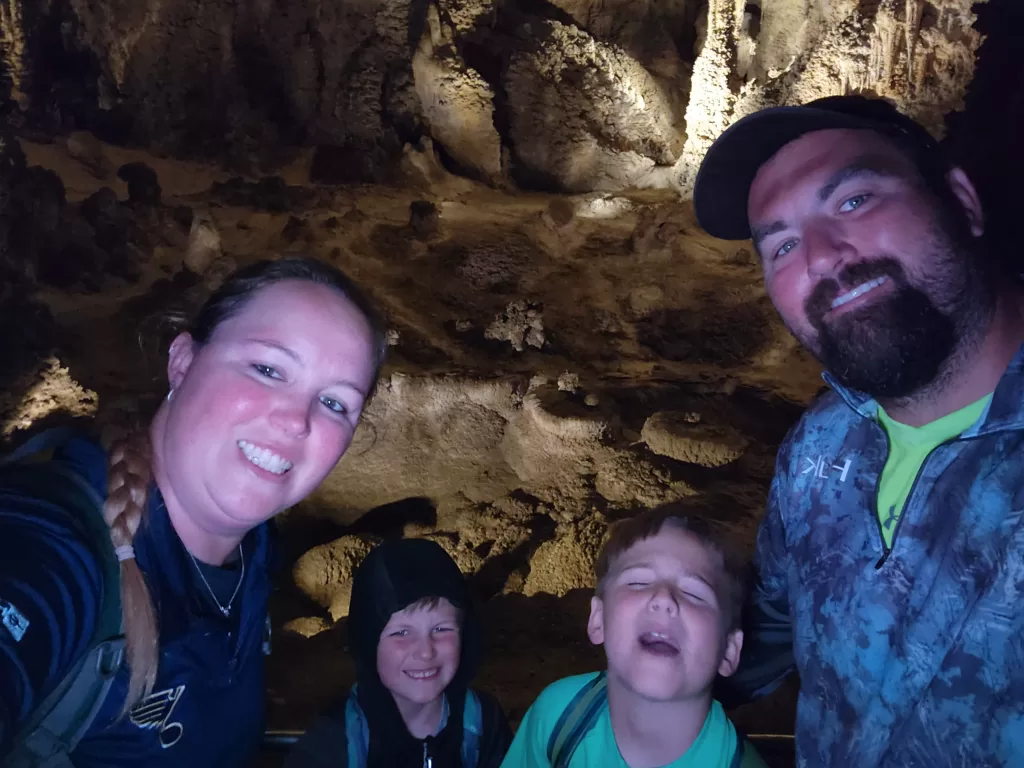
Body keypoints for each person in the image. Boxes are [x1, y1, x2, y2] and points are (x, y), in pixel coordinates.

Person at [692, 95, 1024, 766]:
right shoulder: (819, 446)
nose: (820, 257)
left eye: (853, 202)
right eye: (781, 244)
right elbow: (772, 627)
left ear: (962, 201)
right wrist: (661, 668)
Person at [0, 256, 389, 767]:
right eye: (268, 369)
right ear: (182, 362)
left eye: (336, 403)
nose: (297, 421)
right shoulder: (54, 549)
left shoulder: (255, 554)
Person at [501, 506, 766, 768]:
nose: (663, 599)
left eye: (695, 594)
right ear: (597, 620)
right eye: (638, 582)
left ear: (730, 649)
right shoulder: (559, 715)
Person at [285, 537, 512, 767]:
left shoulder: (483, 723)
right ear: (368, 642)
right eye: (402, 633)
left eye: (441, 629)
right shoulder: (333, 743)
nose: (425, 652)